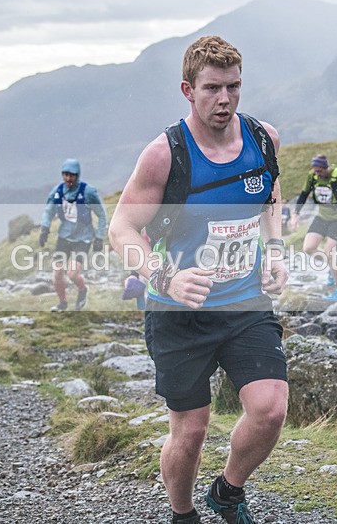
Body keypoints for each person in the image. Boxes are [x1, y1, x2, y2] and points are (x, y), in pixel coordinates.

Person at [108, 35, 288, 524]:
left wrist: (274, 248)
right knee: (190, 430)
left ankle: (228, 490)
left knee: (270, 409)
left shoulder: (262, 138)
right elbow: (121, 228)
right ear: (188, 90)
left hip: (244, 302)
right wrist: (164, 277)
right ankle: (183, 513)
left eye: (233, 86)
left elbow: (270, 192)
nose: (224, 99)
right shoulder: (165, 155)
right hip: (178, 313)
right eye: (212, 88)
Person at [39, 159, 108, 311]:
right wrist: (44, 229)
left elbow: (102, 214)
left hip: (83, 239)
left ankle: (83, 290)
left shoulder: (88, 192)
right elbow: (49, 211)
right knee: (57, 273)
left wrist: (99, 236)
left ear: (78, 175)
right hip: (64, 237)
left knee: (72, 273)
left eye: (72, 175)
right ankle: (62, 303)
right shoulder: (58, 191)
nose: (69, 179)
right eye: (66, 175)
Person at [290, 154, 337, 301]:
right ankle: (333, 268)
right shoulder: (313, 176)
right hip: (322, 216)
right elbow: (304, 194)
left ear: (325, 168)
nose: (317, 174)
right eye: (315, 171)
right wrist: (296, 214)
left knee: (330, 252)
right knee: (309, 247)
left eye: (320, 171)